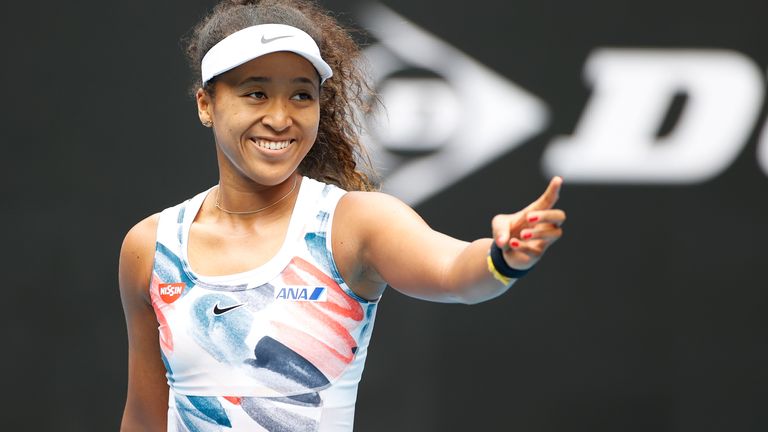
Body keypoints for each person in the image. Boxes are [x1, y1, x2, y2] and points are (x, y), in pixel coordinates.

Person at [118, 0, 566, 430]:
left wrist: (502, 256)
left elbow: (455, 273)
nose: (280, 117)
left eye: (300, 95)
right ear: (205, 104)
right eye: (256, 93)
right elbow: (143, 416)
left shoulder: (353, 225)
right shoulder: (152, 245)